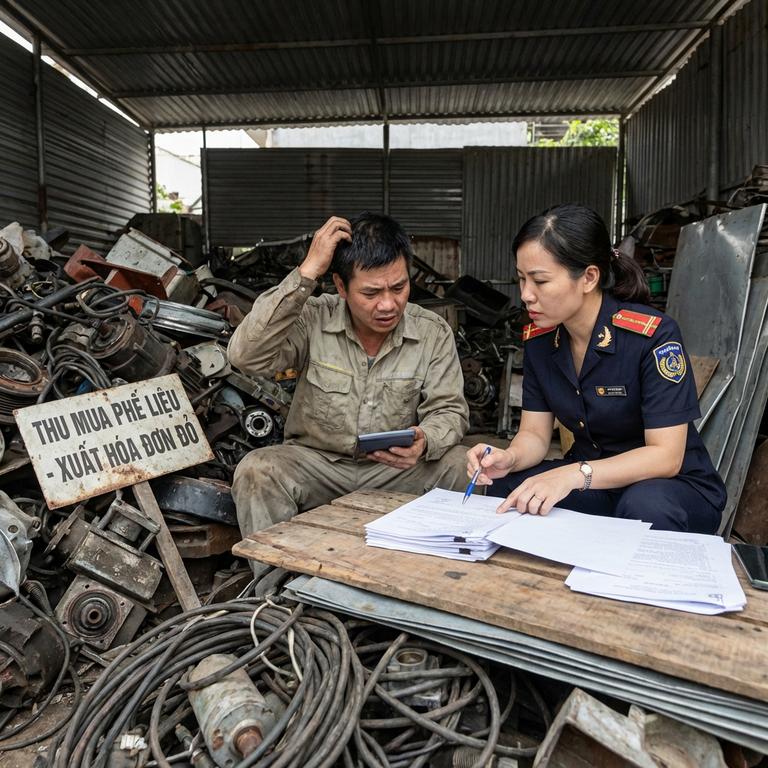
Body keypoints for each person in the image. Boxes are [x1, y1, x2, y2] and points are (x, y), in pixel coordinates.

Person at [466, 203, 726, 534]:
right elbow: (534, 434)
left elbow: (666, 457)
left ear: (589, 277)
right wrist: (508, 459)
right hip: (595, 482)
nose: (526, 295)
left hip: (670, 487)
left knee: (644, 504)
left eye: (540, 281)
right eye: (521, 279)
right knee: (511, 488)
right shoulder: (540, 341)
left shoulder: (651, 336)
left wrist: (573, 475)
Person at [228, 212, 470, 537]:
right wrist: (307, 272)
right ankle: (274, 584)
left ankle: (441, 574)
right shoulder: (314, 316)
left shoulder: (431, 331)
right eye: (371, 293)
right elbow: (245, 356)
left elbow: (449, 410)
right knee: (258, 470)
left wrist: (426, 441)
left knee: (461, 465)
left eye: (399, 287)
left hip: (393, 471)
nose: (388, 304)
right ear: (341, 286)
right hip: (317, 466)